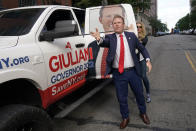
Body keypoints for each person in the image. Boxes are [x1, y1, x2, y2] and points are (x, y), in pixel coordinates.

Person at [91, 15, 152, 129]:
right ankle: (125, 117)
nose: (117, 24)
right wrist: (99, 39)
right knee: (121, 97)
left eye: (119, 22)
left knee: (139, 94)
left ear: (123, 25)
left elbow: (142, 48)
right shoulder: (110, 37)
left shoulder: (131, 36)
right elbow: (104, 42)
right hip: (119, 73)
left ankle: (143, 113)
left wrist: (148, 60)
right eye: (115, 23)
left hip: (133, 72)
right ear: (112, 26)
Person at [87, 5, 126, 78]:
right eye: (108, 16)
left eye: (116, 16)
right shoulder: (92, 45)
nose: (112, 20)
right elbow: (91, 68)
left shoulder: (127, 41)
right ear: (100, 20)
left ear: (123, 20)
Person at [136, 21, 151, 103]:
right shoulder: (132, 35)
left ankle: (148, 93)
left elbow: (139, 46)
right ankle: (139, 94)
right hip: (134, 60)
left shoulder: (144, 37)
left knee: (143, 76)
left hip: (141, 59)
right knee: (137, 78)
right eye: (137, 27)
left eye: (140, 27)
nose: (138, 28)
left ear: (142, 28)